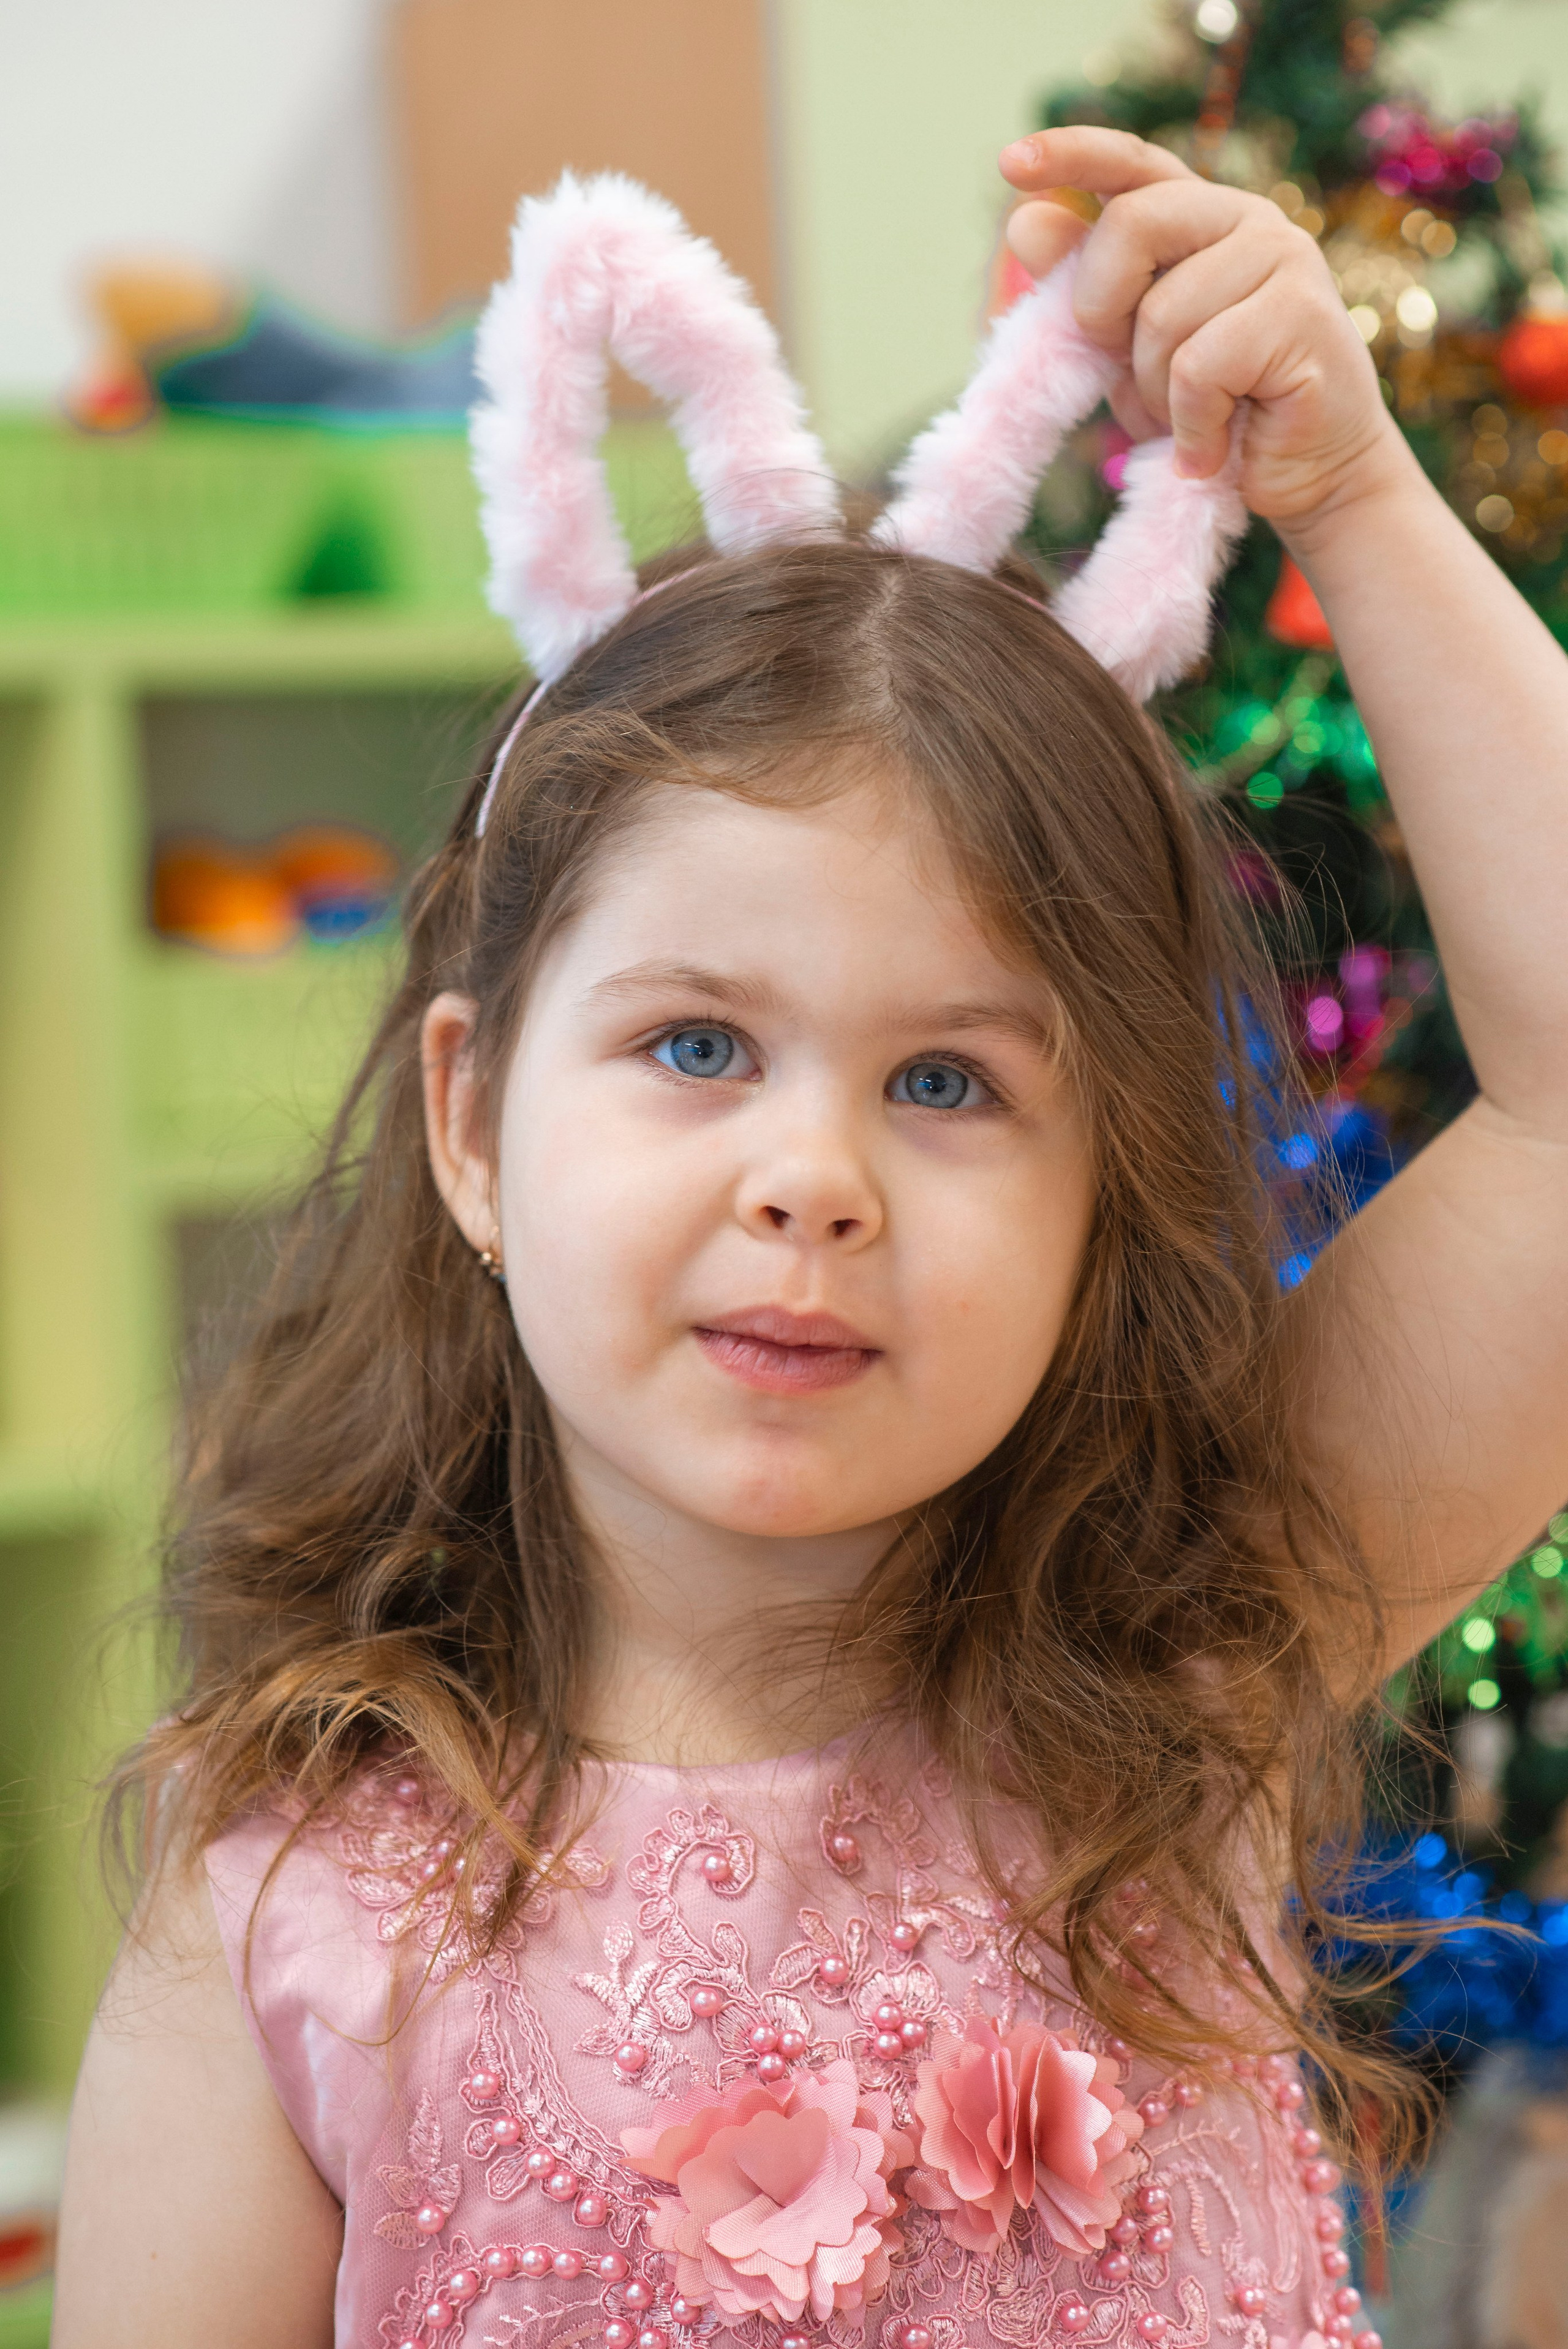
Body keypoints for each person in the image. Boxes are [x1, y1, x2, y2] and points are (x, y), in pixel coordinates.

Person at [51, 126, 1568, 2349]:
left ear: (1095, 1196)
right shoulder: (285, 1916)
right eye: (692, 1047)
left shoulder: (1198, 1673)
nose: (813, 1176)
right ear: (471, 1122)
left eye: (948, 1083)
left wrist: (1352, 491)